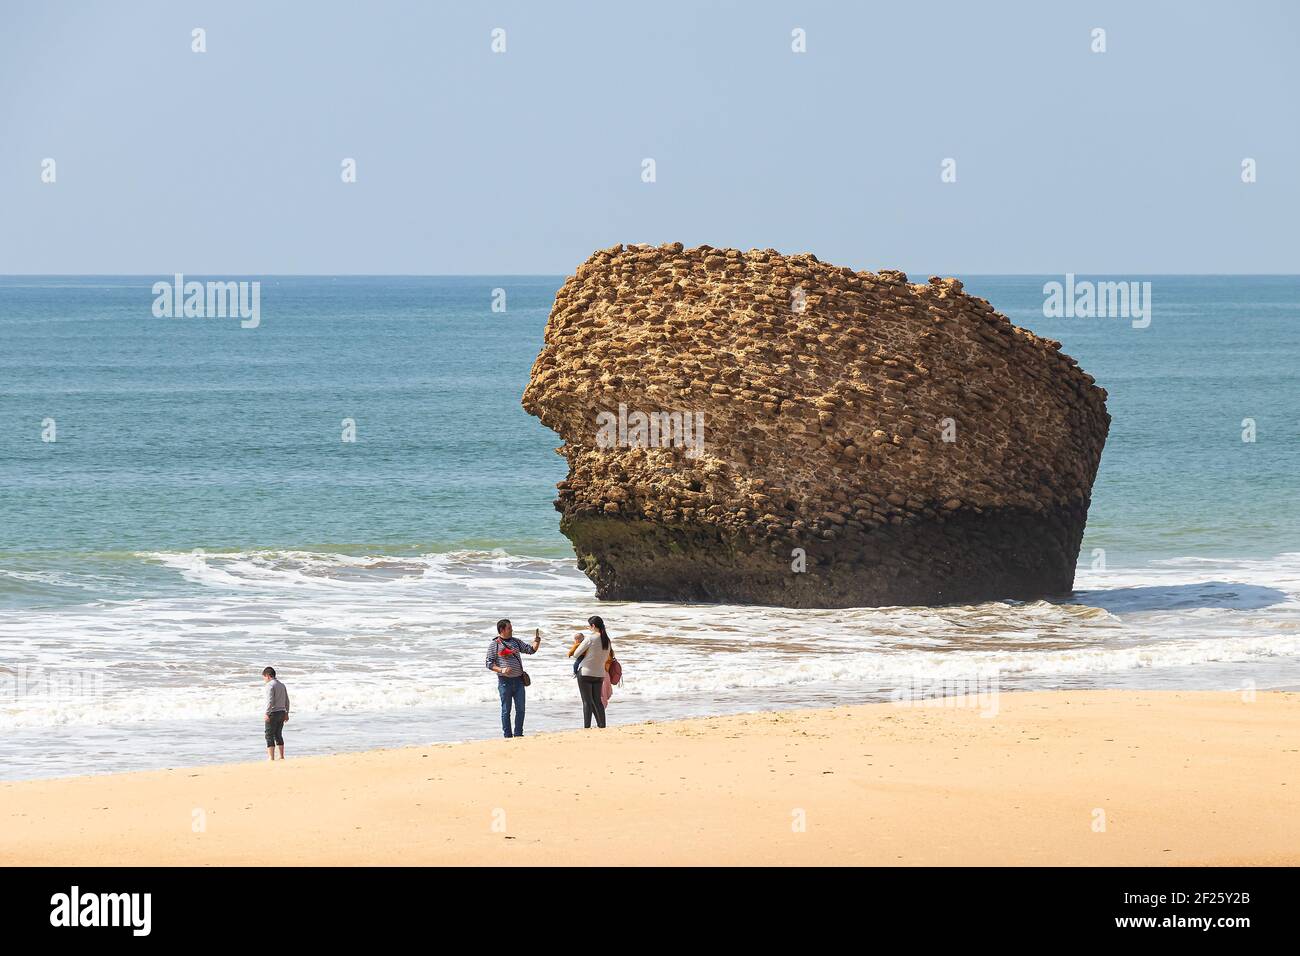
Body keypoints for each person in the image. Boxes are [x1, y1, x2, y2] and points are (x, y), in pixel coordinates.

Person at [485, 619, 540, 738]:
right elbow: (489, 663)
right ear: (502, 630)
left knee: (521, 709)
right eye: (509, 628)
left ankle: (519, 734)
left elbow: (530, 650)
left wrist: (537, 641)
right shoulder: (495, 644)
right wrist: (501, 670)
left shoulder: (516, 641)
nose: (512, 630)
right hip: (505, 682)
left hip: (519, 681)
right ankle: (507, 736)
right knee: (506, 710)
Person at [567, 615, 614, 729]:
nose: (589, 627)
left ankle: (587, 727)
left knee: (587, 702)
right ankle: (602, 725)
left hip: (585, 673)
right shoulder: (607, 640)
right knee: (597, 701)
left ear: (593, 626)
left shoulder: (590, 638)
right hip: (599, 674)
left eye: (589, 625)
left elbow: (576, 654)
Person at [262, 666, 290, 760]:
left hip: (273, 713)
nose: (264, 680)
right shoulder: (282, 685)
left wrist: (267, 713)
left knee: (269, 734)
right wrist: (287, 713)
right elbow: (287, 700)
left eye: (264, 677)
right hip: (282, 712)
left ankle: (271, 757)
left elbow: (270, 700)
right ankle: (281, 756)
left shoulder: (270, 685)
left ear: (268, 676)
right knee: (278, 734)